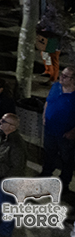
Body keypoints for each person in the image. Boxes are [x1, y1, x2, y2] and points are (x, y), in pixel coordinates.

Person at [0, 113, 27, 236]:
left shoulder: (15, 144)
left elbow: (17, 168)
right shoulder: (5, 137)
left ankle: (3, 233)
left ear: (12, 127)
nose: (0, 122)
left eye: (4, 121)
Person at [41, 66, 75, 194]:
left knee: (67, 159)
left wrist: (73, 132)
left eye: (65, 76)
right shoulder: (56, 87)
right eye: (62, 74)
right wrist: (44, 116)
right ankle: (46, 174)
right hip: (50, 130)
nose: (61, 77)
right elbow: (48, 102)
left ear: (73, 79)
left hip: (65, 134)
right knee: (49, 154)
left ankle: (64, 182)